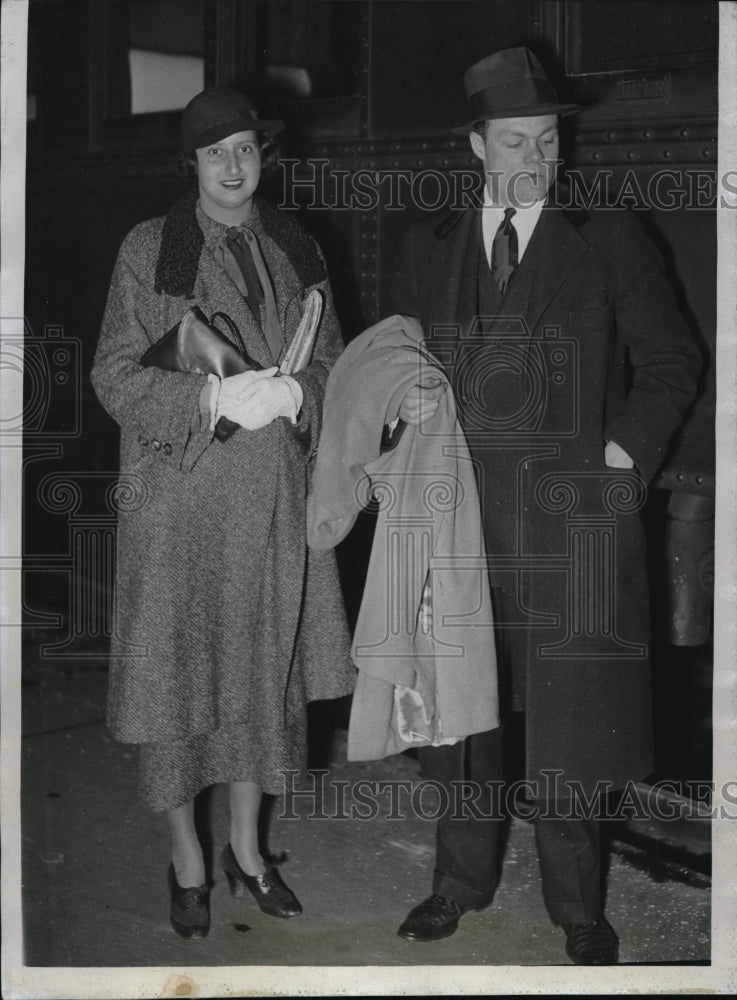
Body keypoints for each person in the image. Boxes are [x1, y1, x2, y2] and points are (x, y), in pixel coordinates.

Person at [387, 47, 702, 964]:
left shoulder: (605, 233)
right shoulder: (432, 242)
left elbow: (673, 360)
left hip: (569, 525)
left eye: (550, 138)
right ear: (476, 144)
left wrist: (621, 456)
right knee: (464, 714)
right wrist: (404, 397)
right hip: (460, 527)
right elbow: (400, 359)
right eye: (517, 139)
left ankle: (577, 905)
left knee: (570, 722)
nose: (537, 158)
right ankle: (457, 883)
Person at [90, 87, 355, 940]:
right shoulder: (149, 250)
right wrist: (210, 399)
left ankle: (247, 853)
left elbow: (338, 367)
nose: (234, 167)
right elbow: (114, 377)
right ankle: (188, 862)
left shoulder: (294, 246)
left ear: (261, 156)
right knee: (177, 691)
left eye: (245, 148)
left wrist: (297, 394)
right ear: (192, 166)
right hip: (179, 508)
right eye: (216, 154)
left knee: (260, 689)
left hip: (272, 505)